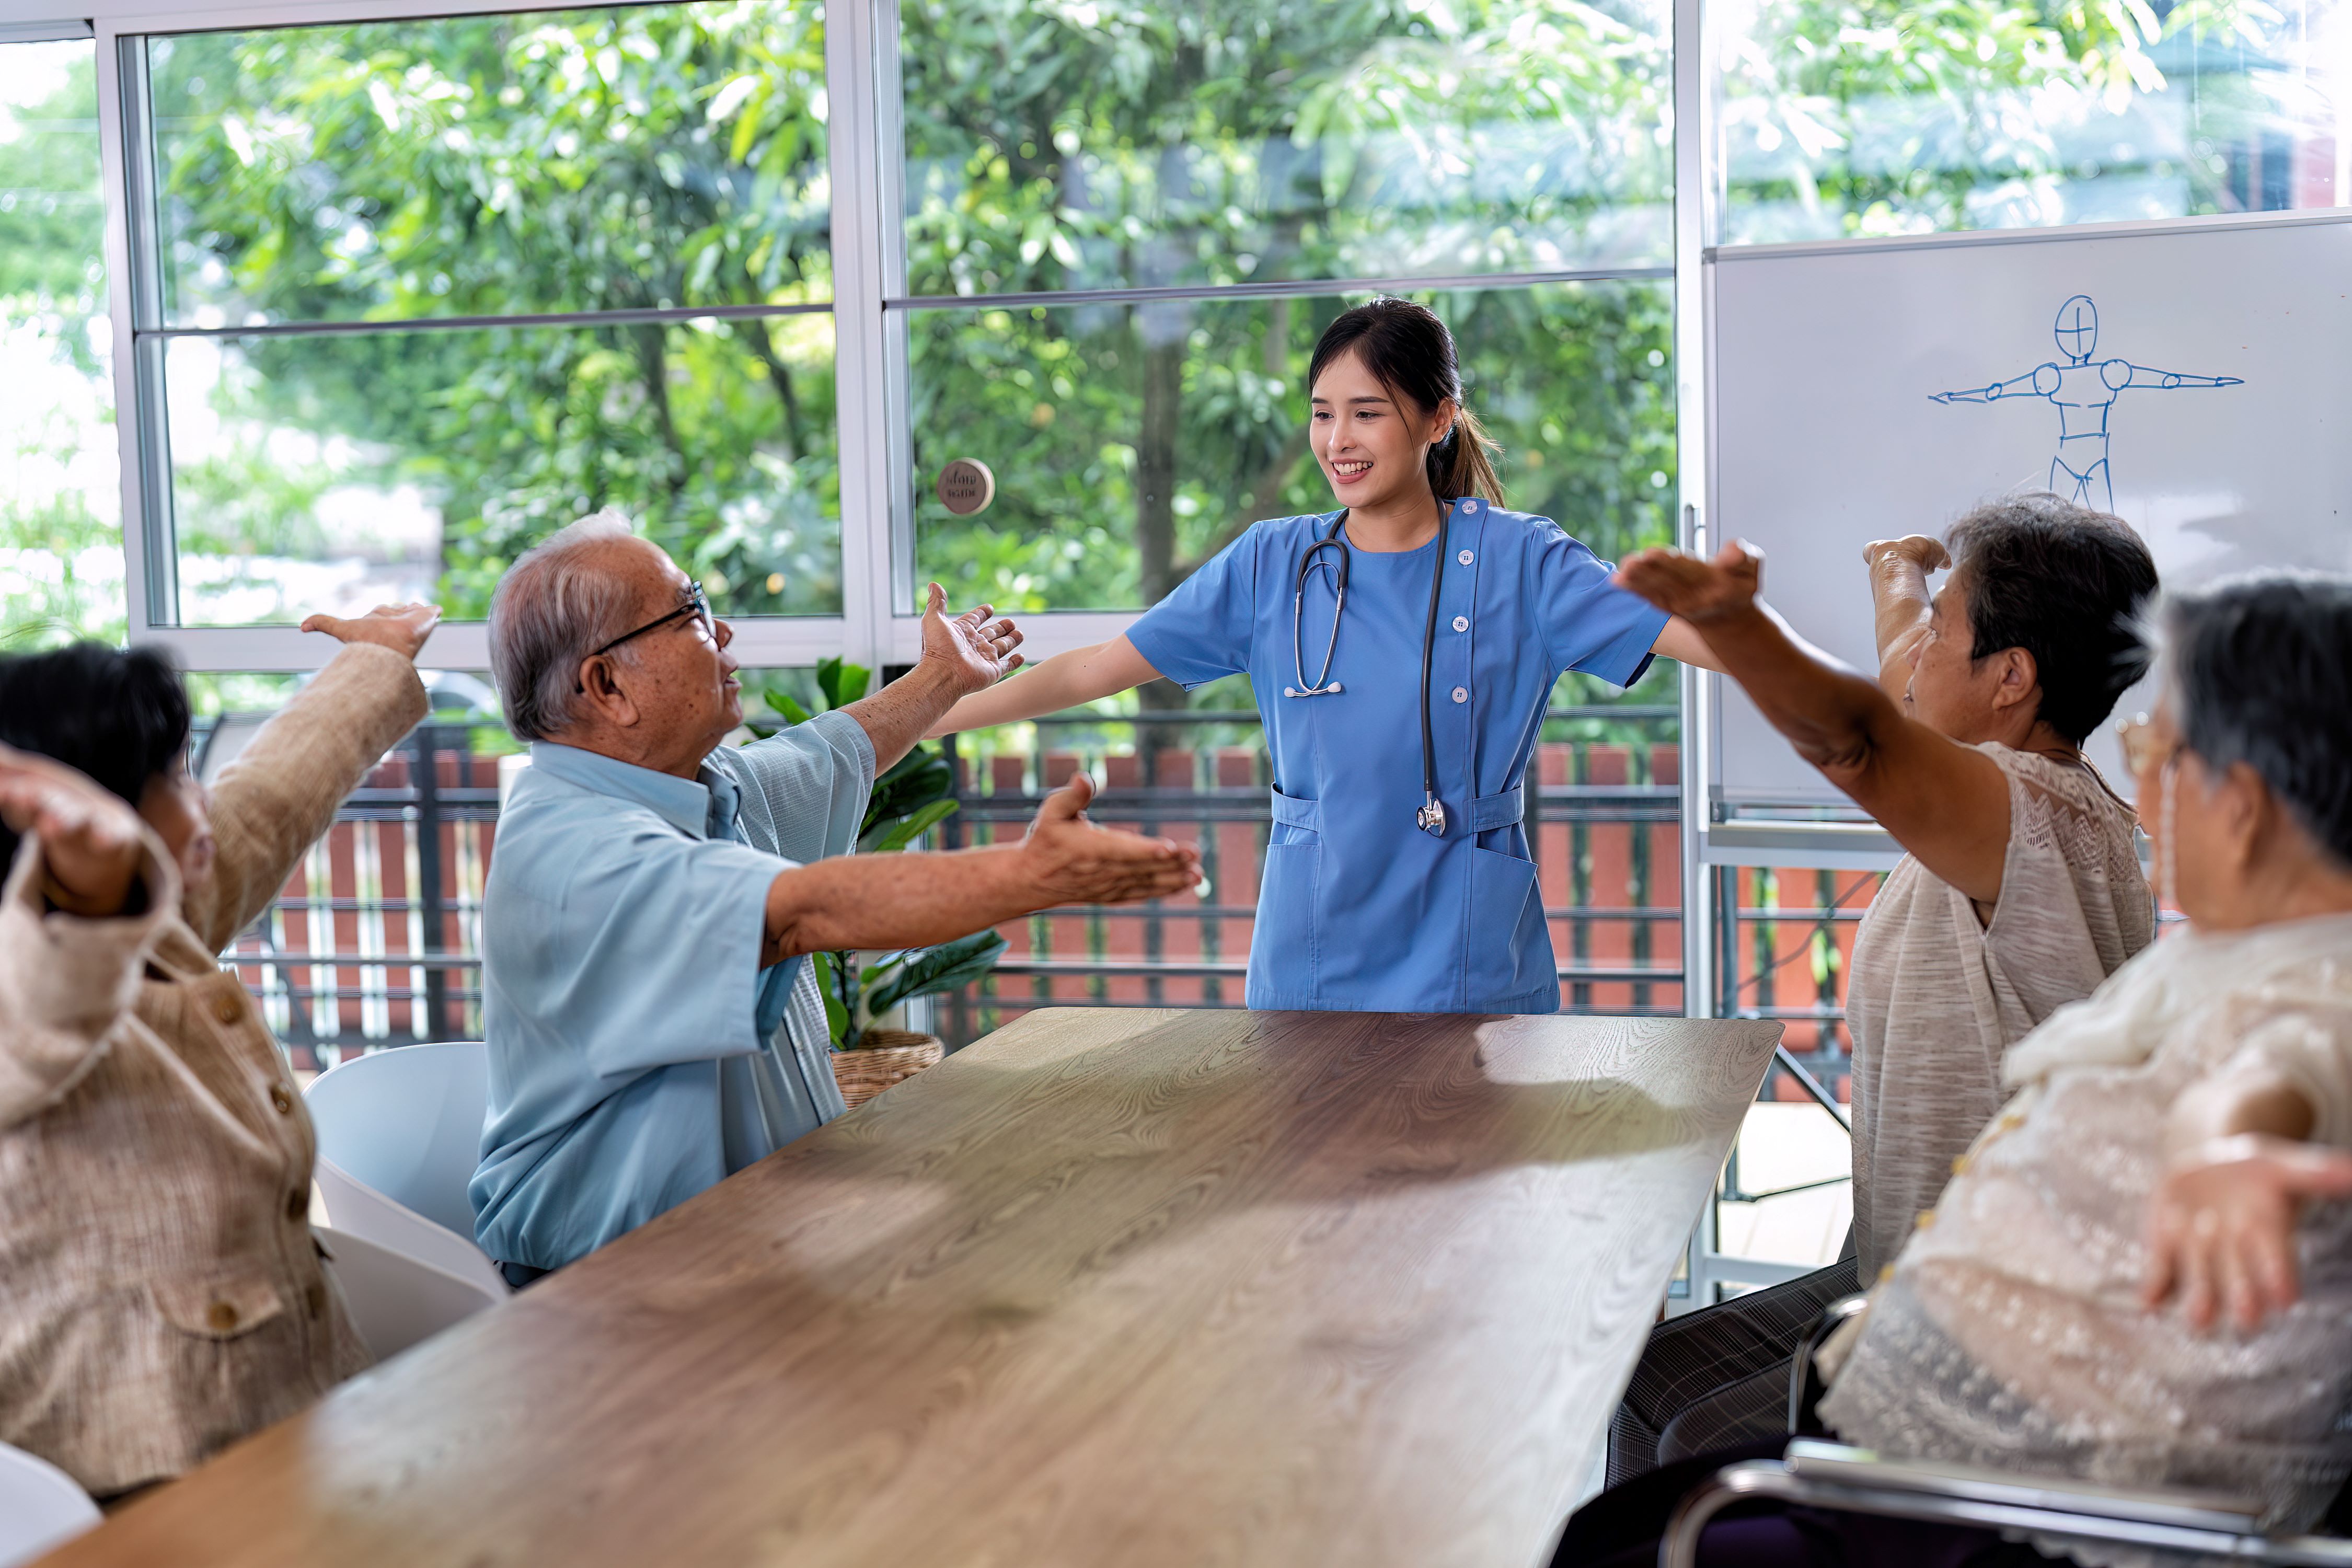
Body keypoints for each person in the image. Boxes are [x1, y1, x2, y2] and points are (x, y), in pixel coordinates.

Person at [1560, 569, 2352, 1568]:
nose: (2145, 777)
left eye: (2166, 749)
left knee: (1638, 1527)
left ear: (2246, 799)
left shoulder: (2311, 993)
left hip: (2019, 1499)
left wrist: (2223, 1149)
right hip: (1960, 1418)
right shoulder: (2237, 947)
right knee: (1620, 1507)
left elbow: (2272, 1081)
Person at [927, 297, 1719, 1014]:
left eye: (1367, 413)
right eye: (1322, 414)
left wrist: (1811, 661)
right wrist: (926, 718)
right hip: (1311, 948)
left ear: (1438, 418)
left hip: (1466, 946)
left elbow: (1701, 640)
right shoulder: (1271, 562)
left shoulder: (1523, 561)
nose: (1338, 441)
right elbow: (1098, 666)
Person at [473, 512, 1203, 1280]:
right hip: (610, 1295)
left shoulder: (704, 787)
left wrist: (939, 681)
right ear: (608, 685)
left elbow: (830, 751)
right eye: (689, 612)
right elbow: (801, 912)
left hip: (767, 1241)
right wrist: (1033, 876)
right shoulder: (575, 851)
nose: (721, 631)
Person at [1601, 496, 2162, 1479]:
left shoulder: (2024, 814)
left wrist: (1738, 626)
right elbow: (1907, 674)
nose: (1914, 655)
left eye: (1947, 628)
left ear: (2012, 680)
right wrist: (1896, 570)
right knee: (1654, 1379)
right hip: (1897, 1268)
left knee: (1703, 1451)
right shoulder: (2008, 785)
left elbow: (1862, 736)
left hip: (1992, 1317)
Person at [0, 605, 442, 1497]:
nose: (195, 799)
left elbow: (270, 800)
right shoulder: (33, 983)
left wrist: (371, 662)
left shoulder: (162, 920)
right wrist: (91, 896)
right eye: (162, 780)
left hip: (298, 1441)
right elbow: (34, 1016)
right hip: (128, 1498)